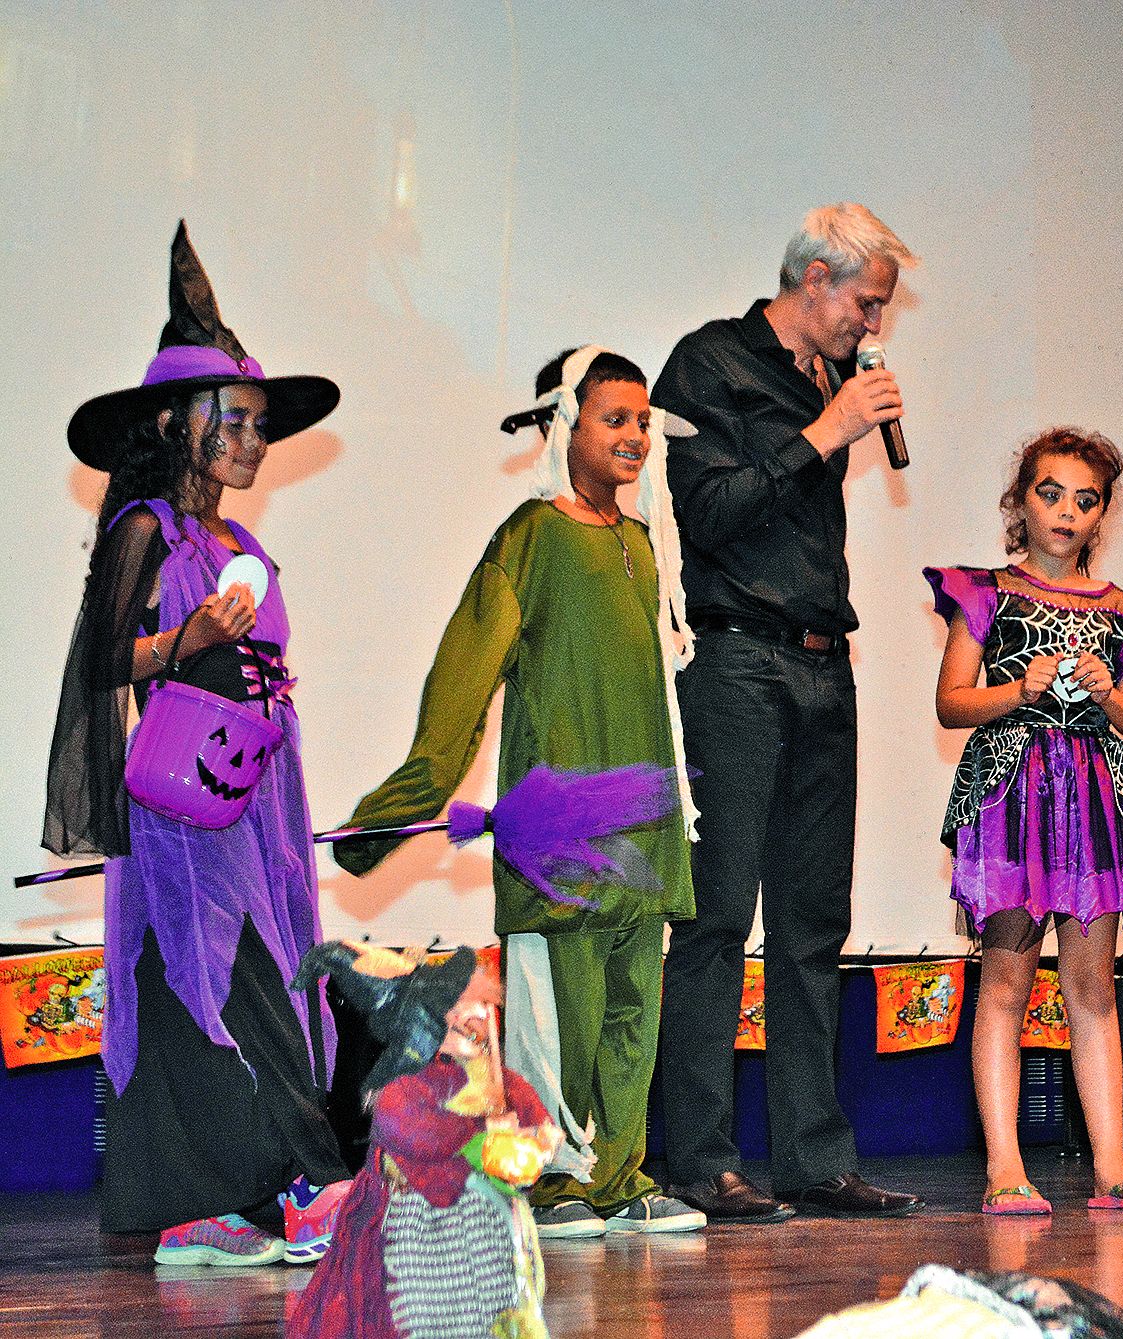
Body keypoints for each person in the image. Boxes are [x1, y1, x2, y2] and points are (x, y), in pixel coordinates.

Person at [333, 346, 703, 1238]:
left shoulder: (644, 544)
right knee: (555, 1014)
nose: (635, 437)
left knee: (630, 1011)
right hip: (559, 833)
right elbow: (462, 680)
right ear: (562, 425)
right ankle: (552, 1180)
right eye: (615, 419)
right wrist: (395, 806)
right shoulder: (529, 539)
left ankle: (618, 1174)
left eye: (643, 422)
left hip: (642, 827)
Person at [44, 223, 352, 1264]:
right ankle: (300, 1187)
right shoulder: (141, 529)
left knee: (265, 972)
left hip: (260, 791)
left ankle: (221, 1207)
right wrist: (183, 640)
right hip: (186, 801)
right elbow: (101, 663)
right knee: (223, 979)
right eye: (238, 420)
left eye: (263, 425)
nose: (257, 442)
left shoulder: (239, 541)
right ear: (179, 422)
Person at [648, 203, 922, 1221]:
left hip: (821, 663)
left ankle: (814, 1158)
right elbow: (706, 512)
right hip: (733, 664)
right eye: (865, 301)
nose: (872, 323)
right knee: (717, 916)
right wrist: (825, 432)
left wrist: (837, 416)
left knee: (813, 923)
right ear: (813, 277)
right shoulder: (709, 364)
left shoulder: (832, 382)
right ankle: (702, 1160)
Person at [926, 426, 1123, 1215]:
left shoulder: (1121, 612)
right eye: (1049, 493)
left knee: (1092, 986)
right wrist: (1021, 687)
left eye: (1085, 499)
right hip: (1010, 798)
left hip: (1093, 804)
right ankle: (1004, 1164)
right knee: (1005, 980)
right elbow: (950, 703)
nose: (1066, 512)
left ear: (1101, 513)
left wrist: (1108, 688)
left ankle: (1111, 1165)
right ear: (1019, 501)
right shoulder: (985, 593)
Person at [290, 942, 560, 1339]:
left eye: (481, 1009)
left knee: (491, 1296)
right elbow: (412, 1133)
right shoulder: (405, 1083)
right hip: (411, 1216)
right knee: (409, 1303)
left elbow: (529, 1112)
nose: (476, 1018)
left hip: (482, 1218)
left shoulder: (495, 1078)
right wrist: (483, 1133)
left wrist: (539, 1136)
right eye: (459, 1012)